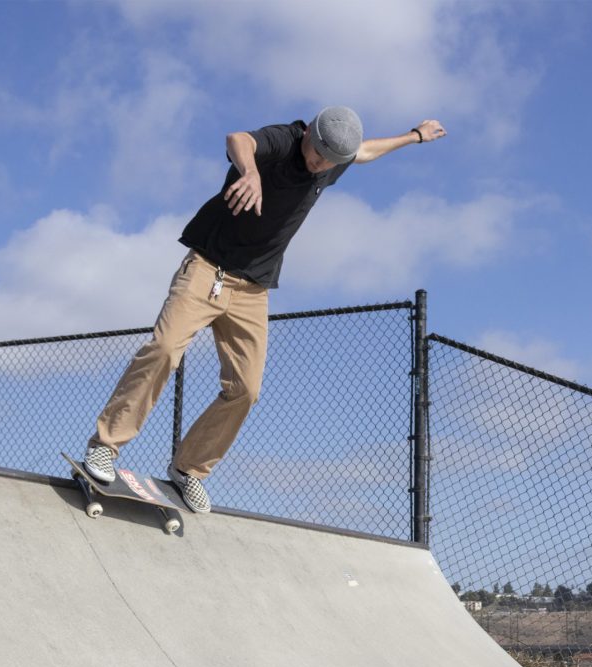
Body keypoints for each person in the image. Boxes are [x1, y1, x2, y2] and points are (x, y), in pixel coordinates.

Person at [83, 106, 447, 513]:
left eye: (329, 162)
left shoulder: (335, 161)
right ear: (309, 133)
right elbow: (237, 138)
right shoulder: (284, 140)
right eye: (316, 154)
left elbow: (364, 151)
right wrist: (251, 172)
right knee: (165, 349)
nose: (319, 165)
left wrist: (414, 135)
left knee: (246, 389)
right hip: (208, 268)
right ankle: (106, 447)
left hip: (253, 291)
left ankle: (189, 469)